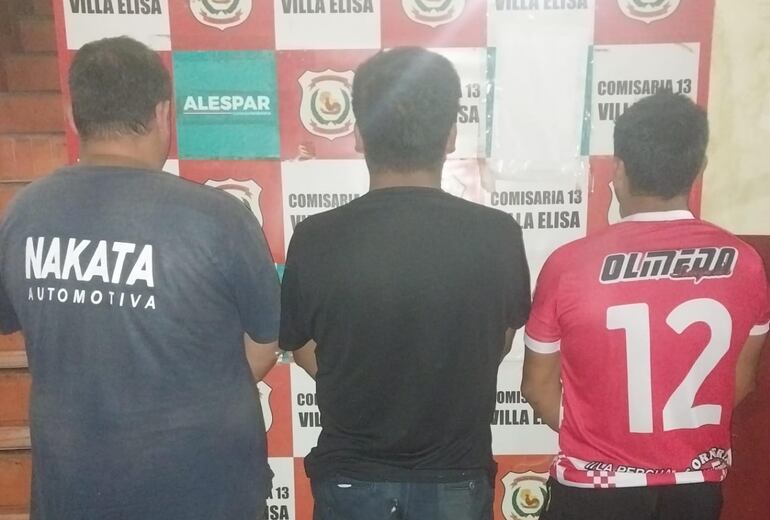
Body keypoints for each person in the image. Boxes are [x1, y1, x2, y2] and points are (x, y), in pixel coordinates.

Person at [0, 37, 281, 520]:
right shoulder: (217, 218)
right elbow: (267, 342)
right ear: (162, 113)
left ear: (73, 116)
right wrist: (190, 391)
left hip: (74, 489)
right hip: (204, 490)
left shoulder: (23, 213)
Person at [280, 47, 531, 520]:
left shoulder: (315, 236)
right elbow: (497, 342)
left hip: (352, 477)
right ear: (451, 135)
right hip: (456, 478)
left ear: (359, 135)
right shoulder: (498, 234)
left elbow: (304, 349)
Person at [522, 91, 770, 520]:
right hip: (694, 489)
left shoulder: (569, 264)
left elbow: (537, 387)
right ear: (699, 168)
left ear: (618, 170)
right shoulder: (746, 264)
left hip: (593, 490)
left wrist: (604, 438)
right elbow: (741, 381)